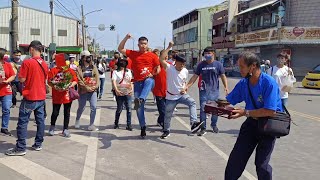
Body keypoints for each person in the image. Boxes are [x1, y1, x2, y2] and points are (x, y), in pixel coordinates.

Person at [224, 52, 282, 180]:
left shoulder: (268, 83)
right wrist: (214, 106)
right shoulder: (243, 83)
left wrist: (245, 112)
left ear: (253, 66)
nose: (239, 70)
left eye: (242, 67)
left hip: (268, 125)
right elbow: (230, 100)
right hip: (251, 125)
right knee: (236, 159)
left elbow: (270, 111)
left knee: (261, 165)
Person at [6, 40, 48, 156]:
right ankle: (38, 144)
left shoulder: (27, 63)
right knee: (40, 121)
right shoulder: (44, 63)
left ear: (31, 49)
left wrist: (19, 72)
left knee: (22, 123)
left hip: (30, 96)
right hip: (41, 96)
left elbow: (22, 79)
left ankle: (20, 147)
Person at [118, 33, 160, 138]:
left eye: (145, 44)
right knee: (138, 108)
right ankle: (143, 127)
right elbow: (120, 48)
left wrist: (153, 74)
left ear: (147, 44)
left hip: (148, 80)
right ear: (138, 44)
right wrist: (126, 38)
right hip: (137, 83)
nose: (143, 46)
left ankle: (141, 98)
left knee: (149, 81)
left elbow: (158, 68)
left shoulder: (153, 56)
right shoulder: (133, 54)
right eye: (141, 44)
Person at [159, 42, 203, 139]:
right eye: (180, 64)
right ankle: (166, 130)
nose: (182, 66)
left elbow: (185, 82)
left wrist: (185, 88)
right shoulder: (169, 68)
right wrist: (169, 47)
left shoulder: (185, 71)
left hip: (181, 95)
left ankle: (193, 124)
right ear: (176, 62)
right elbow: (161, 58)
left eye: (184, 64)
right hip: (170, 97)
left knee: (192, 102)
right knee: (167, 115)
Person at [185, 47, 229, 136]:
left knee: (215, 110)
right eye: (205, 53)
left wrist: (226, 87)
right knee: (203, 109)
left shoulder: (218, 64)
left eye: (209, 53)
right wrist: (187, 86)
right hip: (203, 90)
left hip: (214, 91)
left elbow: (223, 76)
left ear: (213, 54)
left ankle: (213, 125)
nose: (207, 55)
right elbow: (195, 77)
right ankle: (203, 128)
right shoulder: (201, 65)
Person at [48, 57, 78, 137]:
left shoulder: (70, 71)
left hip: (67, 95)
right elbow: (49, 82)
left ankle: (65, 129)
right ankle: (52, 127)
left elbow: (75, 80)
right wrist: (56, 87)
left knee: (67, 112)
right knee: (55, 112)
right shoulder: (53, 70)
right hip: (57, 95)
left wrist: (69, 85)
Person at [75, 50, 100, 131]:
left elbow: (97, 78)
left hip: (93, 91)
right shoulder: (79, 68)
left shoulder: (93, 67)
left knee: (93, 107)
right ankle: (77, 120)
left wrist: (95, 86)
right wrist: (86, 88)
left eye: (89, 56)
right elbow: (79, 80)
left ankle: (91, 124)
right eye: (87, 56)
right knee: (81, 107)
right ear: (83, 58)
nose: (89, 58)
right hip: (83, 91)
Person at [112, 59, 133, 131]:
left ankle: (129, 125)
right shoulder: (115, 72)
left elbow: (131, 81)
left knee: (129, 109)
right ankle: (116, 123)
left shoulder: (128, 71)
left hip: (128, 92)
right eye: (121, 65)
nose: (122, 67)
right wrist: (116, 90)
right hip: (119, 92)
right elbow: (114, 81)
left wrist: (132, 89)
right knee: (119, 109)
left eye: (123, 65)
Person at [0, 48, 16, 136]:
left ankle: (4, 127)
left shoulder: (7, 65)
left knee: (6, 109)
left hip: (6, 90)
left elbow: (13, 75)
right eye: (5, 55)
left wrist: (7, 81)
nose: (6, 57)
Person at [153, 50, 167, 128]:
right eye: (164, 55)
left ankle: (159, 121)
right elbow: (152, 75)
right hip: (159, 92)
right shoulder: (156, 66)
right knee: (162, 110)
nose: (166, 57)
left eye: (167, 55)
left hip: (167, 92)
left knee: (165, 110)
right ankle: (164, 126)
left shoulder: (169, 65)